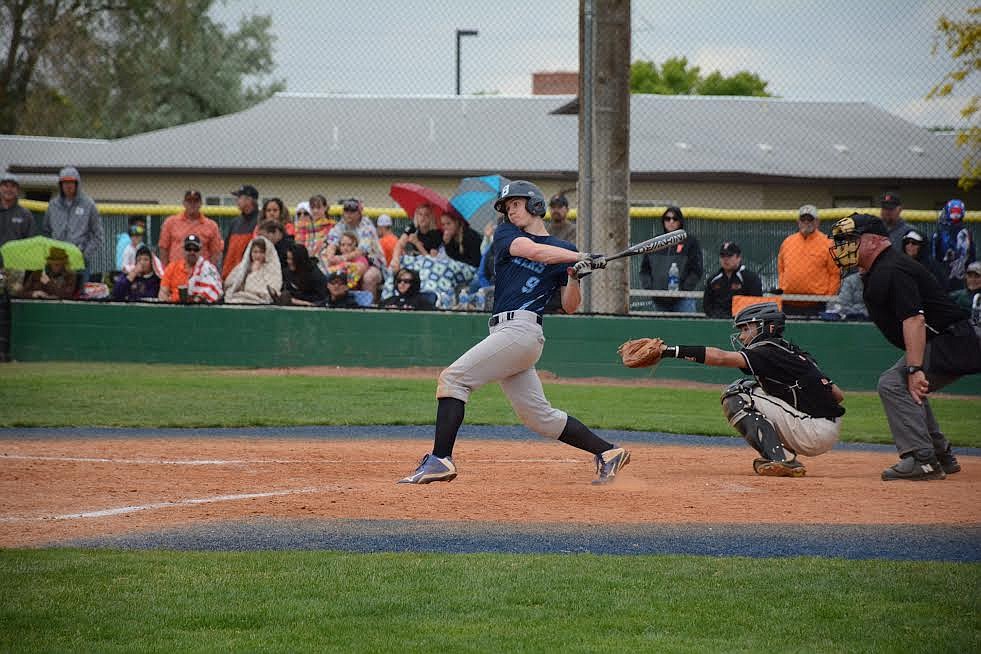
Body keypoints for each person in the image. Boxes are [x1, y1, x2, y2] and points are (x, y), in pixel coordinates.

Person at [398, 180, 622, 486]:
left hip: (523, 330)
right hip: (507, 333)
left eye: (516, 204)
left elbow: (570, 306)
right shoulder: (508, 235)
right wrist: (580, 256)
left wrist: (575, 276)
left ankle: (440, 459)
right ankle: (609, 452)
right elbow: (534, 252)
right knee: (538, 417)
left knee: (453, 379)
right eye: (507, 207)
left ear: (535, 205)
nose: (510, 211)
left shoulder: (565, 251)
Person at [830, 213, 977, 480]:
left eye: (851, 240)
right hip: (944, 338)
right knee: (903, 385)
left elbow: (914, 318)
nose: (843, 247)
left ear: (875, 241)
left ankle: (923, 460)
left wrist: (914, 368)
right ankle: (939, 455)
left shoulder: (891, 269)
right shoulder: (879, 268)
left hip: (953, 341)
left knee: (893, 383)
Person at [628, 303, 845, 477]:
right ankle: (783, 454)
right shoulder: (791, 351)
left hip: (813, 431)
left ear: (765, 326)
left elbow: (721, 358)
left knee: (737, 394)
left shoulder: (767, 350)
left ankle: (782, 460)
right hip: (823, 427)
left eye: (746, 328)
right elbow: (838, 395)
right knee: (752, 388)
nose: (741, 336)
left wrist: (669, 351)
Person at [776, 204, 840, 316]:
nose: (806, 222)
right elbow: (781, 269)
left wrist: (829, 298)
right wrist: (783, 288)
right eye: (803, 219)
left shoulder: (828, 243)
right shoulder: (788, 242)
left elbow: (835, 273)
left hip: (816, 304)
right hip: (789, 301)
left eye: (810, 219)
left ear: (817, 222)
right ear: (798, 221)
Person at [41, 166, 102, 279]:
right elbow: (46, 232)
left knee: (78, 295)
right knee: (53, 294)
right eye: (65, 182)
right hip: (56, 261)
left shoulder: (88, 205)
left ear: (77, 184)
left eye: (71, 182)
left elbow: (97, 236)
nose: (68, 186)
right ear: (60, 185)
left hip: (78, 261)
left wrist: (84, 255)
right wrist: (51, 253)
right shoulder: (53, 205)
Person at [639, 206, 702, 312]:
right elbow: (644, 270)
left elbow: (696, 270)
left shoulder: (690, 242)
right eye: (667, 219)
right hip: (658, 300)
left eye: (675, 219)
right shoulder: (655, 243)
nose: (671, 221)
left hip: (683, 300)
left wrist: (683, 290)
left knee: (686, 327)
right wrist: (651, 289)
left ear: (680, 221)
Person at [323, 198, 384, 296]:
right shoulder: (341, 225)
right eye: (346, 211)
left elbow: (361, 251)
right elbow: (332, 243)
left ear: (359, 213)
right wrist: (331, 257)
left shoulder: (367, 226)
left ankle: (368, 307)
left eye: (352, 211)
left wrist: (342, 258)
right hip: (345, 261)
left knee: (369, 277)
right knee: (325, 265)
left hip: (372, 263)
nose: (348, 214)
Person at [158, 190, 224, 267]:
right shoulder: (171, 222)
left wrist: (209, 271)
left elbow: (215, 252)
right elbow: (163, 249)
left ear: (200, 204)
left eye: (195, 201)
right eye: (189, 201)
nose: (192, 204)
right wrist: (165, 270)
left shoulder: (211, 225)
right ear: (184, 203)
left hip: (200, 273)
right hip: (176, 272)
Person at [702, 241, 763, 318]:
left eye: (729, 256)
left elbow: (756, 304)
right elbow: (707, 305)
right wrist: (716, 317)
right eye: (722, 256)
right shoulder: (713, 280)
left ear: (738, 258)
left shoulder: (751, 278)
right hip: (718, 323)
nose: (725, 259)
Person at [159, 234, 223, 304]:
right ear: (183, 249)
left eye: (195, 249)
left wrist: (200, 298)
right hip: (174, 308)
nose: (192, 252)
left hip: (200, 309)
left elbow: (217, 292)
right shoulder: (172, 267)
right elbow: (163, 293)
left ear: (200, 250)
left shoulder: (207, 269)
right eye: (188, 249)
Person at [931, 199, 975, 292]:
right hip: (944, 276)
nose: (955, 214)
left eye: (957, 211)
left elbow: (971, 257)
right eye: (953, 211)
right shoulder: (940, 233)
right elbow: (934, 257)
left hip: (960, 277)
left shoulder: (966, 233)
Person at [224, 237, 282, 304]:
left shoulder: (271, 268)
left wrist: (255, 272)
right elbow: (229, 283)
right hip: (242, 298)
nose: (258, 255)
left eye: (261, 252)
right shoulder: (244, 266)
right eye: (255, 252)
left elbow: (271, 288)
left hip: (262, 300)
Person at [221, 184, 261, 280]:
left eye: (239, 197)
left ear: (249, 200)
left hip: (249, 274)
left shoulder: (260, 221)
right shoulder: (235, 222)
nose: (237, 201)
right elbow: (226, 251)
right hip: (230, 274)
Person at [389, 202, 443, 270]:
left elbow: (432, 261)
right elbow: (400, 244)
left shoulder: (436, 234)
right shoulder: (413, 227)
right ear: (416, 216)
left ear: (431, 217)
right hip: (414, 260)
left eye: (426, 215)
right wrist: (395, 259)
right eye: (420, 214)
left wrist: (417, 243)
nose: (423, 218)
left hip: (427, 265)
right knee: (394, 266)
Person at [276, 242, 327, 306]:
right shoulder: (287, 272)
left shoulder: (315, 274)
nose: (288, 262)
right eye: (288, 258)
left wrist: (299, 299)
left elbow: (321, 297)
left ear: (299, 260)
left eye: (291, 259)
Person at [0, 172, 37, 247]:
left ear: (18, 190)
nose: (9, 189)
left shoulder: (25, 215)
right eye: (6, 186)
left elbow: (31, 242)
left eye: (13, 186)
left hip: (15, 258)